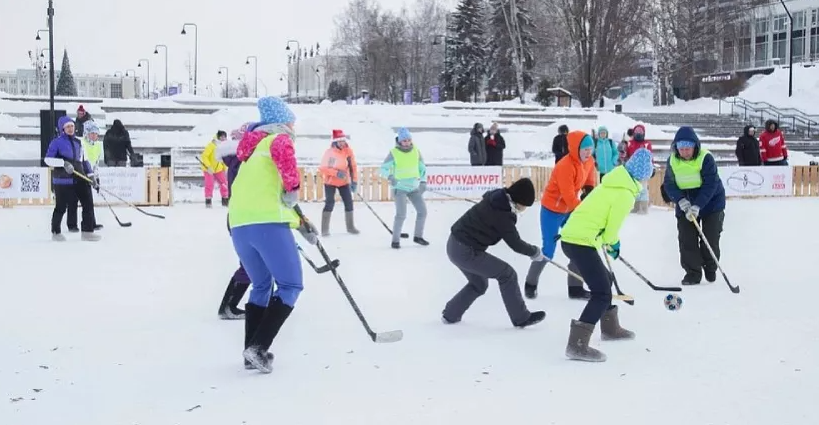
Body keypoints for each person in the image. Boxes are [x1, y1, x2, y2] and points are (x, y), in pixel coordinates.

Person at [228, 96, 319, 373]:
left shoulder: (251, 152)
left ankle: (249, 354)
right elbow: (286, 189)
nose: (294, 126)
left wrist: (301, 224)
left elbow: (265, 195)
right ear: (282, 121)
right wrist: (292, 190)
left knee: (261, 285)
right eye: (292, 120)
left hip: (240, 225)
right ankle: (258, 348)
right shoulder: (279, 139)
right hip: (267, 223)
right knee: (291, 286)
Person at [558, 147, 655, 362]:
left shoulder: (612, 182)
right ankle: (577, 345)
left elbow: (599, 219)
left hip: (574, 238)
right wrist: (613, 243)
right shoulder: (625, 194)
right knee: (601, 292)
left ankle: (610, 328)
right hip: (579, 242)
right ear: (644, 175)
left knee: (606, 280)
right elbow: (611, 230)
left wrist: (606, 240)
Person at [442, 177, 546, 328]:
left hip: (454, 245)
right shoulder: (502, 214)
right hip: (466, 251)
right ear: (518, 201)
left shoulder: (498, 197)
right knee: (507, 274)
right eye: (525, 205)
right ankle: (521, 318)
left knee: (479, 284)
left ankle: (451, 314)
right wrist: (534, 252)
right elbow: (515, 244)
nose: (525, 209)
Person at [524, 130, 597, 300]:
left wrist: (588, 190)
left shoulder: (589, 161)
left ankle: (575, 288)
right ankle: (531, 283)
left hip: (569, 211)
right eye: (585, 149)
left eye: (590, 149)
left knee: (579, 243)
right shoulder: (565, 166)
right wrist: (586, 213)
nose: (588, 152)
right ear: (575, 148)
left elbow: (589, 179)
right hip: (551, 210)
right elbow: (569, 197)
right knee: (548, 251)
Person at [662, 126, 726, 286]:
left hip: (711, 202)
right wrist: (681, 200)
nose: (685, 152)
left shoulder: (706, 158)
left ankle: (710, 267)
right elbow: (669, 184)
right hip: (685, 202)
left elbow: (711, 184)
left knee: (710, 237)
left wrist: (698, 205)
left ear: (695, 146)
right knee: (686, 238)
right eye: (681, 149)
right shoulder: (672, 161)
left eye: (688, 148)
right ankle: (693, 272)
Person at [215, 123, 252, 321]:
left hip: (240, 217)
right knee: (250, 264)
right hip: (245, 217)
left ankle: (231, 306)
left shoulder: (238, 160)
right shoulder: (242, 161)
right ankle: (228, 306)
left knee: (254, 263)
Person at [46, 116, 100, 242]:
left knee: (87, 203)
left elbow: (85, 161)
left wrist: (91, 176)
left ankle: (87, 231)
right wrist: (63, 163)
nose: (71, 129)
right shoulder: (56, 142)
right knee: (61, 207)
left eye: (72, 126)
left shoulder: (79, 142)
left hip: (80, 177)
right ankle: (56, 231)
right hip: (63, 180)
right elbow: (48, 160)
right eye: (67, 127)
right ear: (62, 129)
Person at [380, 127, 429, 249]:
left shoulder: (416, 151)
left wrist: (423, 182)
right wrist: (390, 176)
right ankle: (395, 241)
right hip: (400, 188)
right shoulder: (394, 153)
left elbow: (422, 168)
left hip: (413, 188)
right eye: (404, 140)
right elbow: (383, 169)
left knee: (422, 211)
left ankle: (418, 236)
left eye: (408, 140)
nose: (407, 142)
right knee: (401, 214)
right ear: (399, 141)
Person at [318, 129, 360, 236]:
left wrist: (354, 181)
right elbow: (323, 168)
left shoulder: (348, 151)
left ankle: (350, 227)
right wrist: (336, 173)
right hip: (330, 182)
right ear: (335, 142)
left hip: (344, 182)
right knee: (330, 202)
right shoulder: (330, 153)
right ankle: (325, 229)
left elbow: (352, 167)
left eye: (343, 140)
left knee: (349, 202)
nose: (342, 143)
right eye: (340, 141)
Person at [626, 124, 653, 214]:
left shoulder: (647, 144)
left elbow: (650, 157)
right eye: (637, 132)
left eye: (640, 132)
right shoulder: (630, 143)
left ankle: (644, 208)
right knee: (634, 189)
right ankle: (636, 207)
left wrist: (652, 168)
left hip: (644, 171)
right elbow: (627, 155)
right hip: (633, 170)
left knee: (643, 189)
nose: (638, 133)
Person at [201, 131, 230, 207]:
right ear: (218, 137)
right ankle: (208, 201)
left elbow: (224, 158)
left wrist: (225, 168)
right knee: (209, 184)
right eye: (222, 137)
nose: (223, 138)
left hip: (219, 169)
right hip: (209, 169)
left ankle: (225, 200)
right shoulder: (211, 145)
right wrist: (208, 166)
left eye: (224, 137)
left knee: (224, 183)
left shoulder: (224, 146)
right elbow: (204, 156)